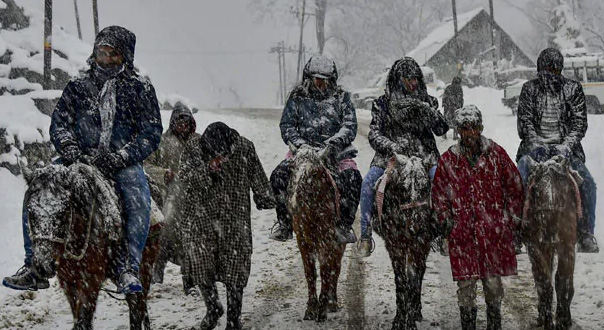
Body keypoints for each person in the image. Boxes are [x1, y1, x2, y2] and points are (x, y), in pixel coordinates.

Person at [2, 26, 162, 294]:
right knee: (38, 190)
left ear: (126, 56)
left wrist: (121, 156)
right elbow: (60, 123)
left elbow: (151, 132)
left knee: (139, 199)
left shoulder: (140, 87)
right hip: (78, 157)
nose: (107, 58)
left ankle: (128, 267)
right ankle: (34, 266)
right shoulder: (78, 85)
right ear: (95, 52)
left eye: (114, 54)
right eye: (103, 52)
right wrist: (70, 149)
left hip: (121, 162)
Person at [432, 105, 524, 330]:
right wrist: (447, 222)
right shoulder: (448, 160)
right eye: (464, 128)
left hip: (493, 233)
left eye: (473, 128)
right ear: (458, 131)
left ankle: (495, 325)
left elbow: (515, 186)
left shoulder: (497, 154)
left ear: (481, 128)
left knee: (493, 286)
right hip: (462, 236)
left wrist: (509, 218)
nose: (469, 133)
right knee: (466, 289)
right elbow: (439, 195)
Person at [177, 121, 276, 330]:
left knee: (236, 268)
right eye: (214, 155)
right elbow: (184, 182)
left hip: (235, 220)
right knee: (202, 265)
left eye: (222, 155)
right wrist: (207, 170)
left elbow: (257, 174)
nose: (219, 158)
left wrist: (265, 195)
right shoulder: (193, 150)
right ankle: (212, 307)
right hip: (201, 220)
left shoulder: (244, 147)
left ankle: (233, 319)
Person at [357, 57, 448, 255]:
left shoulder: (428, 101)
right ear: (399, 79)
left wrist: (429, 111)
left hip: (425, 156)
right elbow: (374, 133)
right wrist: (392, 147)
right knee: (368, 184)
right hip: (390, 158)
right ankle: (365, 234)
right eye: (408, 78)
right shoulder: (382, 104)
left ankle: (444, 232)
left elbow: (442, 129)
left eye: (416, 78)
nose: (413, 83)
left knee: (442, 182)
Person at [268, 55, 362, 244]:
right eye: (317, 78)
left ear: (331, 79)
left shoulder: (342, 97)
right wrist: (301, 145)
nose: (320, 83)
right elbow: (287, 125)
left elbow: (349, 125)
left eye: (324, 79)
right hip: (302, 153)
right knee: (278, 176)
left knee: (353, 179)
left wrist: (333, 144)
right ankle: (285, 224)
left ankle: (343, 225)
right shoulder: (297, 96)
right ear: (309, 77)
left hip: (336, 154)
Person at [516, 47, 599, 253]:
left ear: (560, 70)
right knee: (517, 180)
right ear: (539, 69)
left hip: (567, 152)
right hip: (534, 150)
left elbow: (579, 123)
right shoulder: (529, 89)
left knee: (587, 183)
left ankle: (586, 232)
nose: (550, 74)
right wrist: (538, 145)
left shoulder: (573, 89)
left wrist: (565, 147)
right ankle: (515, 232)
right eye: (546, 69)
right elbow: (524, 122)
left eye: (554, 70)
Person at [144, 101, 199, 285]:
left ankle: (190, 278)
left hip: (194, 200)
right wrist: (164, 174)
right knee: (161, 237)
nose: (183, 126)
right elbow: (147, 166)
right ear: (173, 122)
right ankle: (156, 273)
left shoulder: (199, 142)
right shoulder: (160, 142)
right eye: (179, 122)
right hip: (165, 200)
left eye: (187, 122)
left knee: (193, 241)